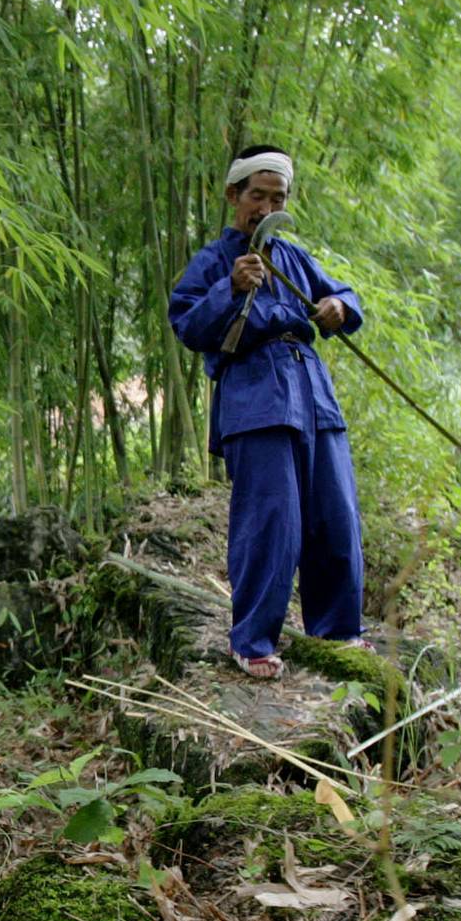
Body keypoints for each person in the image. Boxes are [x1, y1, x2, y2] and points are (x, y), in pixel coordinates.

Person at [167, 144, 366, 679]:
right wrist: (231, 288)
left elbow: (344, 298)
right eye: (257, 195)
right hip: (255, 394)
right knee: (271, 520)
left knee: (336, 514)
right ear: (234, 195)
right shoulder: (214, 261)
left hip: (312, 392)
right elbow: (187, 324)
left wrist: (338, 307)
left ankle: (339, 630)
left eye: (276, 197)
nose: (265, 206)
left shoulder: (294, 258)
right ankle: (253, 639)